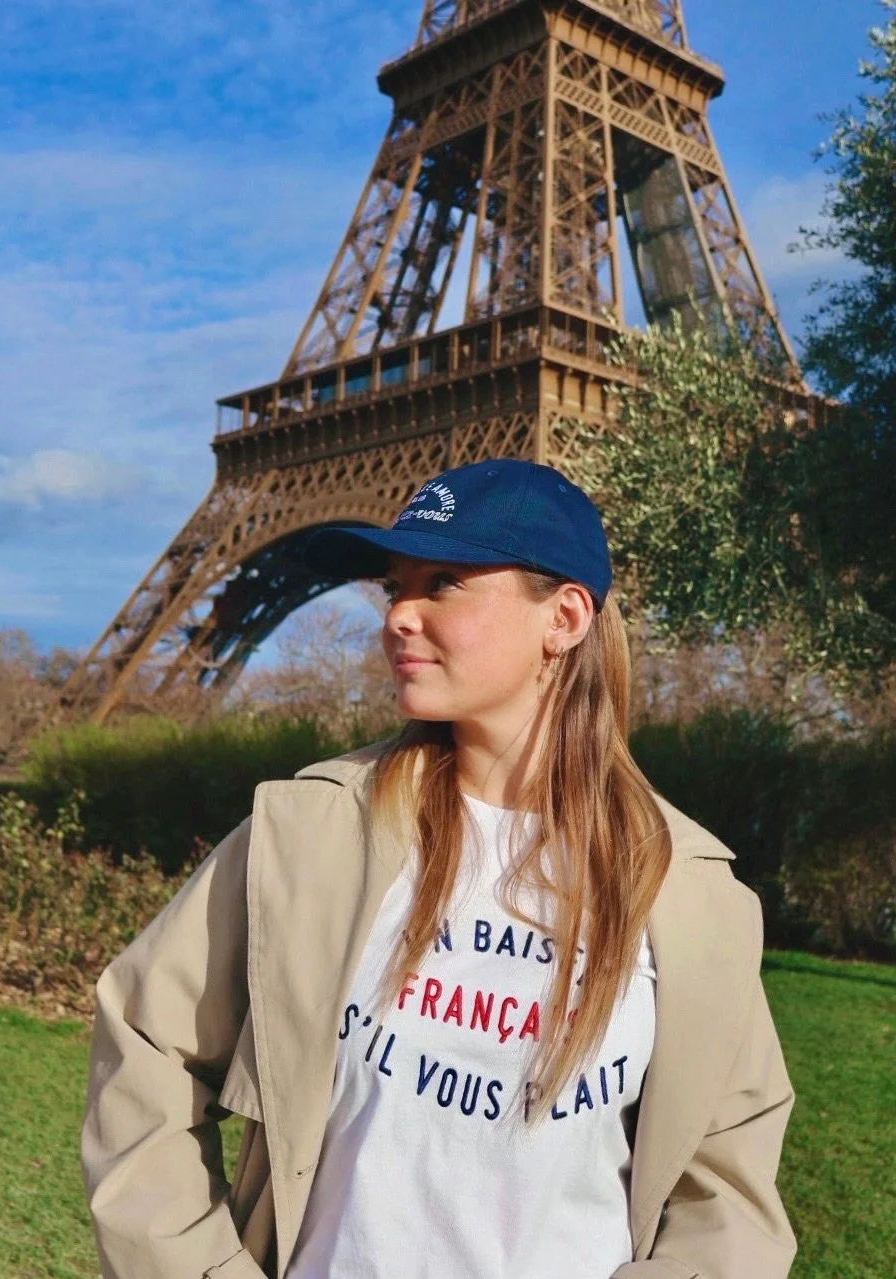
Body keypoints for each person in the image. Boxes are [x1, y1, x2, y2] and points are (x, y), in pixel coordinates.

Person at [81, 458, 796, 1279]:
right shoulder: (311, 831)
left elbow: (729, 1189)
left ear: (563, 617)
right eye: (395, 586)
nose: (399, 616)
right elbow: (146, 1048)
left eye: (444, 581)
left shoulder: (688, 889)